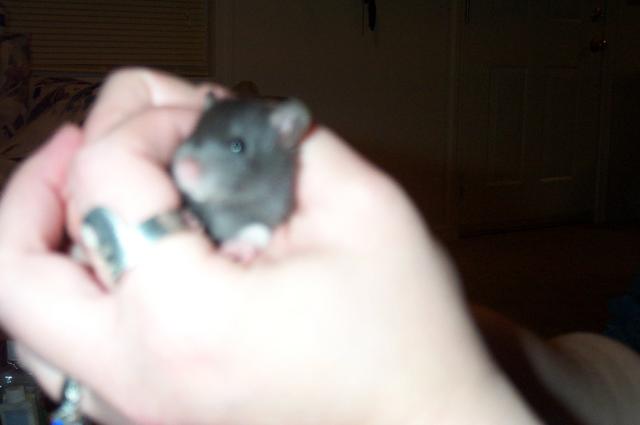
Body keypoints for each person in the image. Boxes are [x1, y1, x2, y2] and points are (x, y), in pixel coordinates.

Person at [0, 68, 637, 425]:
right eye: (197, 145)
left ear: (283, 138)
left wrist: (416, 395)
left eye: (234, 148)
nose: (190, 162)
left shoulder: (275, 186)